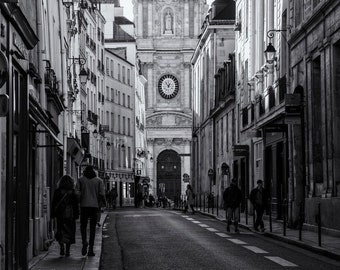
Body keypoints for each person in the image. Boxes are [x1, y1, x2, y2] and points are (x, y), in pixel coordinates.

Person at [76, 165, 105, 256]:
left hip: (84, 206)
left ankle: (84, 241)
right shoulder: (99, 181)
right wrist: (101, 203)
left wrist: (79, 202)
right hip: (94, 206)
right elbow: (102, 194)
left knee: (83, 226)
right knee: (92, 228)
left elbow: (77, 194)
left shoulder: (80, 180)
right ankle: (91, 249)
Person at [51, 175, 79, 257]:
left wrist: (53, 214)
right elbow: (75, 205)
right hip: (70, 215)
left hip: (60, 214)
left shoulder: (58, 191)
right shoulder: (72, 192)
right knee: (69, 232)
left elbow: (54, 203)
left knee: (60, 230)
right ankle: (67, 250)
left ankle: (61, 247)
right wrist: (76, 215)